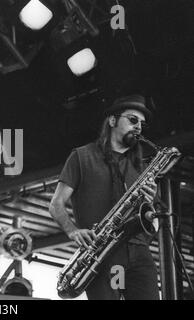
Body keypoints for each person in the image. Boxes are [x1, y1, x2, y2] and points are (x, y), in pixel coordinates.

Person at [49, 94, 160, 300]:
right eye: (133, 120)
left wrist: (150, 202)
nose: (138, 128)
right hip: (105, 255)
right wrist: (73, 232)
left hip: (139, 253)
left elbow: (152, 220)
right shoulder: (81, 156)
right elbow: (56, 204)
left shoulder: (142, 168)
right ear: (112, 120)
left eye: (142, 124)